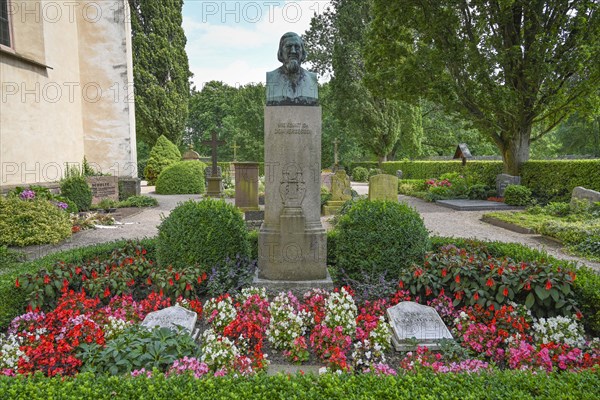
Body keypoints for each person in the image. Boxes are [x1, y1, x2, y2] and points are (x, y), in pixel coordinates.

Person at [266, 32, 318, 106]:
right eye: (288, 46)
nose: (293, 51)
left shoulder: (312, 78)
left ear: (302, 52)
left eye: (297, 47)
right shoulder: (271, 77)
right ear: (281, 51)